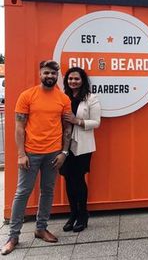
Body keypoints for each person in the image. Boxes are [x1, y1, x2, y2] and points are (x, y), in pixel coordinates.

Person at [1, 60, 72, 256]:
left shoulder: (63, 99)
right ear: (40, 74)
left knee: (47, 191)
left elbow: (67, 128)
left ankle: (41, 228)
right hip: (30, 154)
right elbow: (19, 127)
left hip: (53, 153)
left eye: (53, 74)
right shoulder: (27, 96)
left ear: (57, 76)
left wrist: (64, 152)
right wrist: (21, 154)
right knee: (22, 193)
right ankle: (13, 236)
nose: (50, 76)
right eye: (46, 73)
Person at [60, 67, 101, 233]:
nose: (73, 82)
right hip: (63, 145)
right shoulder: (62, 97)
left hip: (82, 145)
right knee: (68, 180)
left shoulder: (91, 98)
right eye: (70, 79)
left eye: (76, 79)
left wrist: (77, 121)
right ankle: (73, 214)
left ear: (82, 80)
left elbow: (96, 122)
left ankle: (83, 215)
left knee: (78, 179)